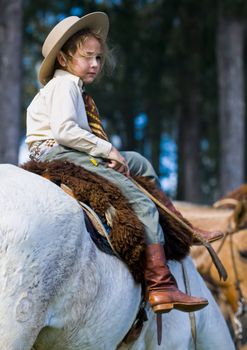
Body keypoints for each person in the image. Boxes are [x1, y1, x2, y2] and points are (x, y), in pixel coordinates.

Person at [26, 12, 211, 314]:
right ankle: (160, 284)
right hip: (58, 152)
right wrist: (107, 149)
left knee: (137, 162)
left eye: (98, 58)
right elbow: (65, 131)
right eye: (88, 57)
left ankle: (178, 223)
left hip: (64, 150)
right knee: (140, 201)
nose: (96, 65)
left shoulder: (70, 87)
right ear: (62, 58)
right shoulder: (65, 86)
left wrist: (108, 153)